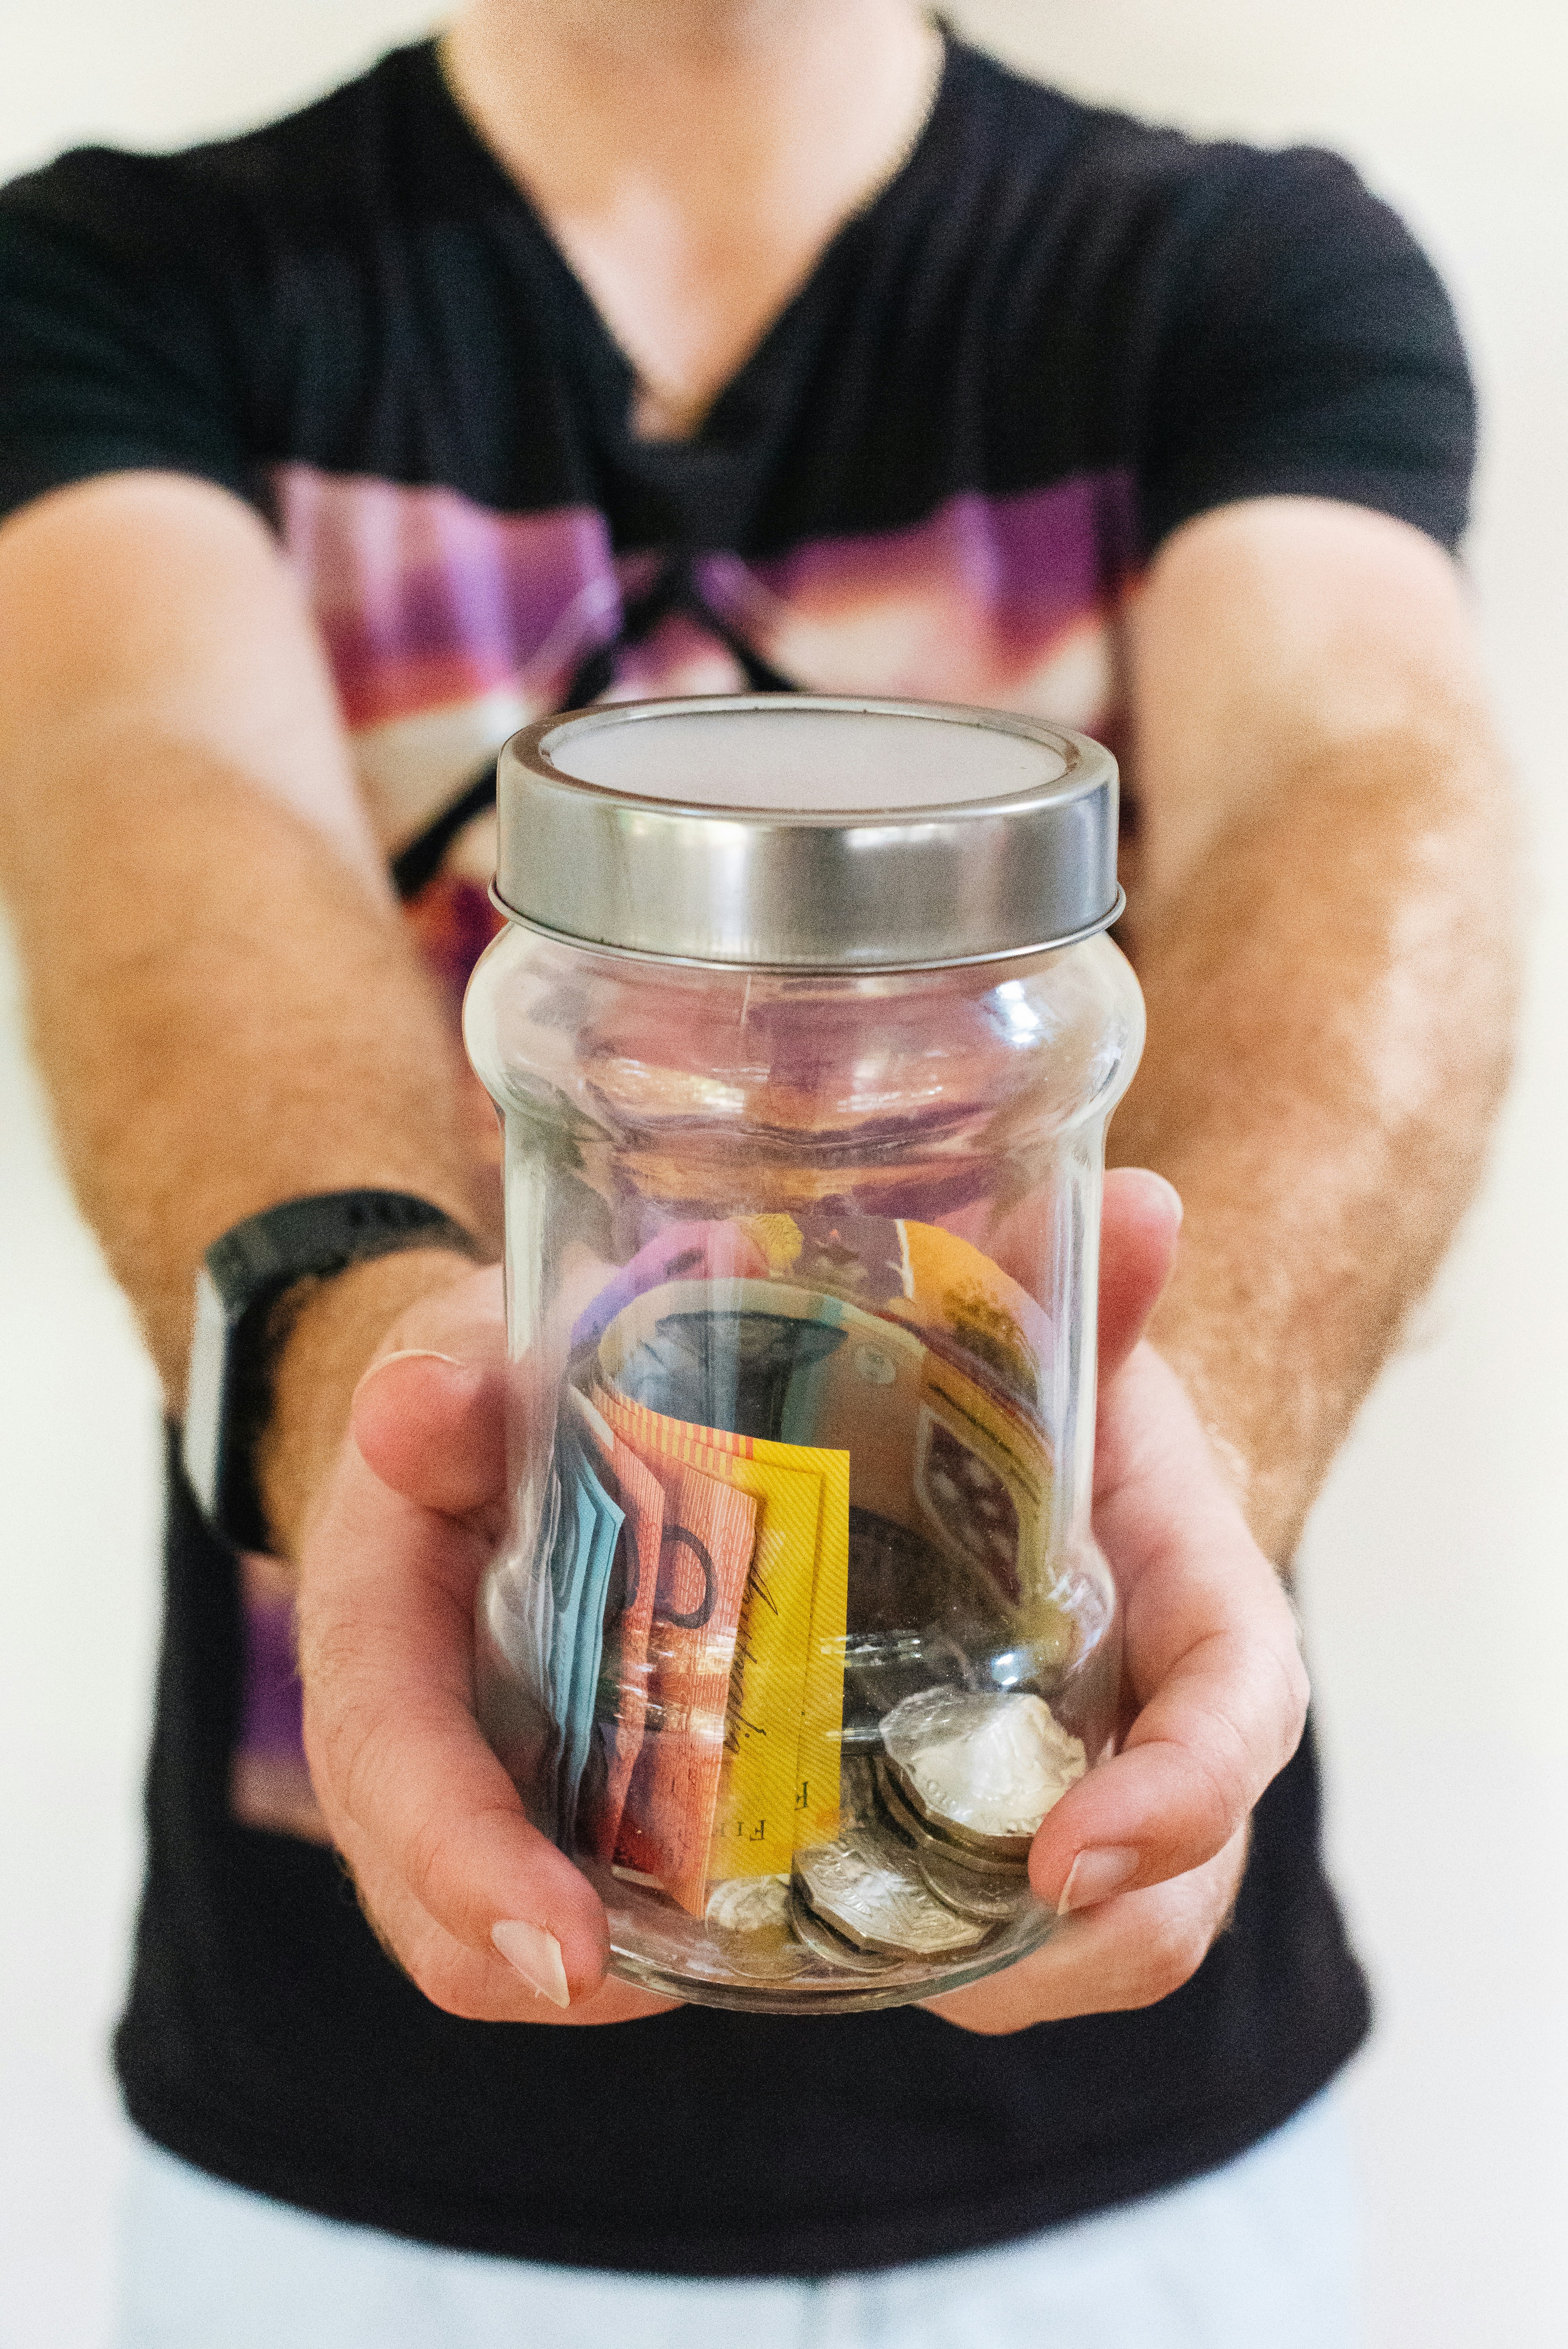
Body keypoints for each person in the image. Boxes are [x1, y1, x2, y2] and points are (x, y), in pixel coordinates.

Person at [0, 1, 1517, 2340]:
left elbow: (1360, 780)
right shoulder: (123, 276)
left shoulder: (1237, 270)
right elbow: (155, 794)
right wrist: (373, 1378)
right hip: (360, 2157)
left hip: (1135, 2156)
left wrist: (1145, 1454)